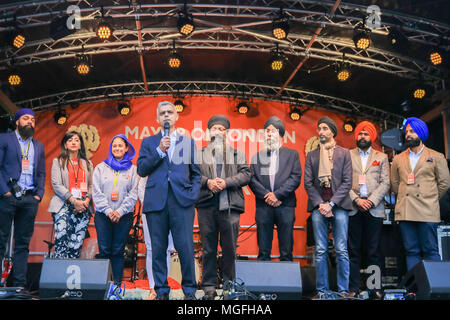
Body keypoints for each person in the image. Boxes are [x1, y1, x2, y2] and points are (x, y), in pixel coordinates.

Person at [137, 101, 202, 300]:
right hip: (156, 203)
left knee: (185, 247)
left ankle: (189, 291)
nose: (166, 115)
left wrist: (192, 196)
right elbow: (141, 169)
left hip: (182, 203)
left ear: (176, 117)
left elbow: (196, 175)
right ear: (157, 119)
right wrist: (158, 151)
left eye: (170, 112)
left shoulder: (188, 142)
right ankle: (162, 291)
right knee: (157, 249)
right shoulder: (149, 143)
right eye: (162, 113)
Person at [196, 115, 251, 300]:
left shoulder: (237, 153)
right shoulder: (199, 153)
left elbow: (246, 174)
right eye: (214, 129)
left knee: (229, 248)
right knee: (208, 248)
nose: (217, 132)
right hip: (206, 205)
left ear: (226, 133)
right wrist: (208, 182)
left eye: (221, 129)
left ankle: (229, 287)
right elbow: (193, 175)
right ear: (209, 132)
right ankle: (209, 288)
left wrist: (225, 182)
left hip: (231, 205)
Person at [391, 117, 450, 271]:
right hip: (406, 210)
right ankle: (414, 290)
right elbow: (395, 184)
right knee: (411, 251)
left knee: (431, 250)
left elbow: (444, 183)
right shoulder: (398, 158)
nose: (408, 135)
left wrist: (429, 197)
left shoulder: (437, 156)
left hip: (427, 210)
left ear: (421, 133)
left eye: (412, 131)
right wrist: (406, 196)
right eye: (407, 132)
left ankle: (436, 292)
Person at [304, 116, 352, 299]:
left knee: (341, 249)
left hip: (339, 206)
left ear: (332, 131)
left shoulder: (344, 153)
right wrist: (321, 205)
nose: (321, 131)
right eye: (319, 128)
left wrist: (332, 204)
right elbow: (308, 183)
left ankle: (343, 291)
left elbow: (347, 182)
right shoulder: (312, 155)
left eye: (325, 128)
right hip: (319, 206)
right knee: (321, 249)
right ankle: (322, 290)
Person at [0, 108, 45, 290]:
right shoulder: (4, 138)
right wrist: (5, 192)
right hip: (7, 196)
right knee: (0, 240)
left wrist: (38, 195)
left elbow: (41, 172)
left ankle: (19, 286)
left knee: (22, 244)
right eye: (25, 119)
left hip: (29, 199)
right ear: (17, 121)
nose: (30, 122)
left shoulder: (38, 145)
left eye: (33, 120)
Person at [249, 116, 302, 262]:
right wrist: (267, 195)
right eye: (267, 131)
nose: (269, 134)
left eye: (272, 131)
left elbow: (295, 178)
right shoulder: (256, 156)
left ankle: (287, 283)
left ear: (281, 135)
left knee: (286, 250)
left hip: (285, 205)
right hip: (263, 206)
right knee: (263, 250)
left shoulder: (292, 155)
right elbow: (251, 179)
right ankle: (263, 283)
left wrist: (277, 195)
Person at [347, 121, 390, 299]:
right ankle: (354, 288)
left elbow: (386, 182)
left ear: (371, 137)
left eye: (366, 134)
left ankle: (375, 288)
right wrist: (356, 199)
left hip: (374, 208)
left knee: (374, 250)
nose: (362, 137)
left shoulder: (381, 157)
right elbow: (342, 182)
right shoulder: (347, 155)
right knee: (353, 250)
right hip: (353, 208)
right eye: (359, 134)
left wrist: (370, 201)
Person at [92, 134, 138, 285]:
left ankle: (116, 286)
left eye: (120, 146)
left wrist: (119, 211)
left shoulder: (133, 170)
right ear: (111, 149)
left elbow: (134, 193)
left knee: (118, 251)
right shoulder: (100, 167)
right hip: (102, 215)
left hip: (124, 216)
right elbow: (96, 192)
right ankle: (103, 285)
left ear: (126, 149)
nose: (117, 148)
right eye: (114, 146)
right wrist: (107, 210)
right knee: (104, 251)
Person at [48, 131, 94, 258]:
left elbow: (91, 185)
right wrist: (74, 200)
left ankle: (70, 275)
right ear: (65, 144)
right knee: (62, 242)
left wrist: (87, 199)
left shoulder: (88, 164)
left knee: (76, 244)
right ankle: (58, 277)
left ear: (80, 145)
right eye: (70, 140)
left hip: (84, 206)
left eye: (76, 140)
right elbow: (56, 184)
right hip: (63, 204)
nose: (73, 142)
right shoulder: (57, 161)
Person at [137, 175, 175, 300]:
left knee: (166, 250)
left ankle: (163, 289)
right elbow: (141, 187)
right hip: (150, 211)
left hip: (169, 211)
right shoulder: (150, 163)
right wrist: (149, 204)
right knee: (151, 249)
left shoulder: (173, 164)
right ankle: (153, 288)